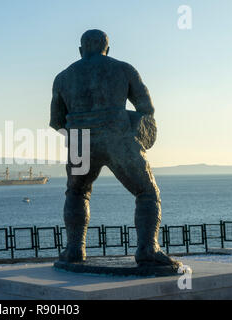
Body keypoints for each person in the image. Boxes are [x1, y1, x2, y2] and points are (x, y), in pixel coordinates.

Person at [50, 29, 181, 268]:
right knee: (146, 192)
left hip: (80, 139)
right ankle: (147, 249)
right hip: (117, 136)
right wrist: (131, 128)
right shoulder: (123, 69)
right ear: (106, 49)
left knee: (77, 193)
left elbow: (57, 121)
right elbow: (146, 109)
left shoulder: (62, 77)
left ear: (80, 51)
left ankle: (74, 249)